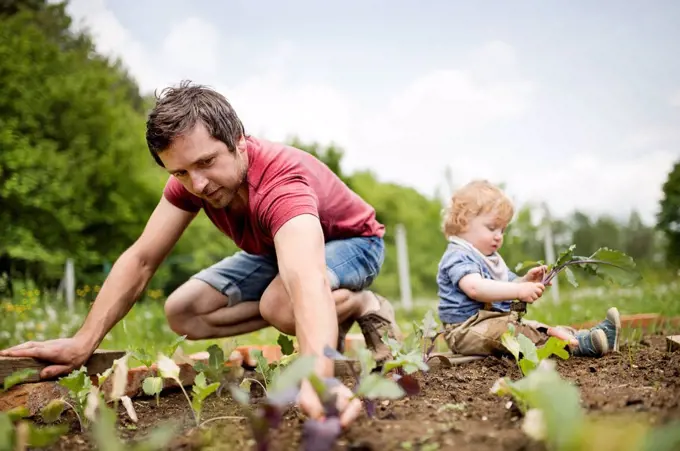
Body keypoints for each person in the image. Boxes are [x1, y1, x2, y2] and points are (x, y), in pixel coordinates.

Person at [0, 81, 402, 427]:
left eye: (206, 162)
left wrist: (318, 378)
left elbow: (305, 276)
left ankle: (362, 302)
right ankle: (326, 310)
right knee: (183, 312)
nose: (198, 184)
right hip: (274, 251)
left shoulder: (281, 185)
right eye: (180, 172)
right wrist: (82, 341)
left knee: (281, 306)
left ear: (239, 142)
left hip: (354, 243)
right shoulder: (191, 182)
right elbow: (141, 260)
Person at [436, 180, 621, 359]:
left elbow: (505, 284)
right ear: (463, 222)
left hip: (491, 323)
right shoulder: (458, 255)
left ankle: (584, 337)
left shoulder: (489, 257)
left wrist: (523, 282)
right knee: (515, 334)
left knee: (533, 327)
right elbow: (475, 288)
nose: (498, 236)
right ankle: (577, 345)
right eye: (492, 227)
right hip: (464, 331)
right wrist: (518, 290)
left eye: (502, 230)